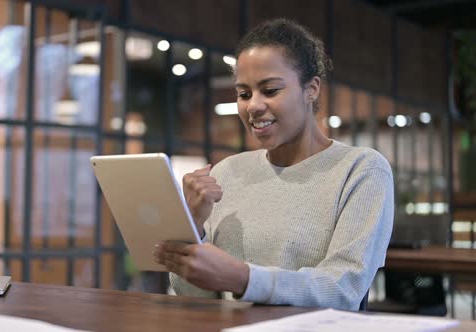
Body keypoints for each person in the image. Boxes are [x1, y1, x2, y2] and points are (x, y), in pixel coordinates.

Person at [152, 18, 394, 311]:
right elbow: (197, 300)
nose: (253, 105)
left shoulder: (361, 170)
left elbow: (343, 289)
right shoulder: (226, 172)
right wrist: (193, 227)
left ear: (311, 89)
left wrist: (243, 278)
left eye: (270, 90)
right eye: (243, 94)